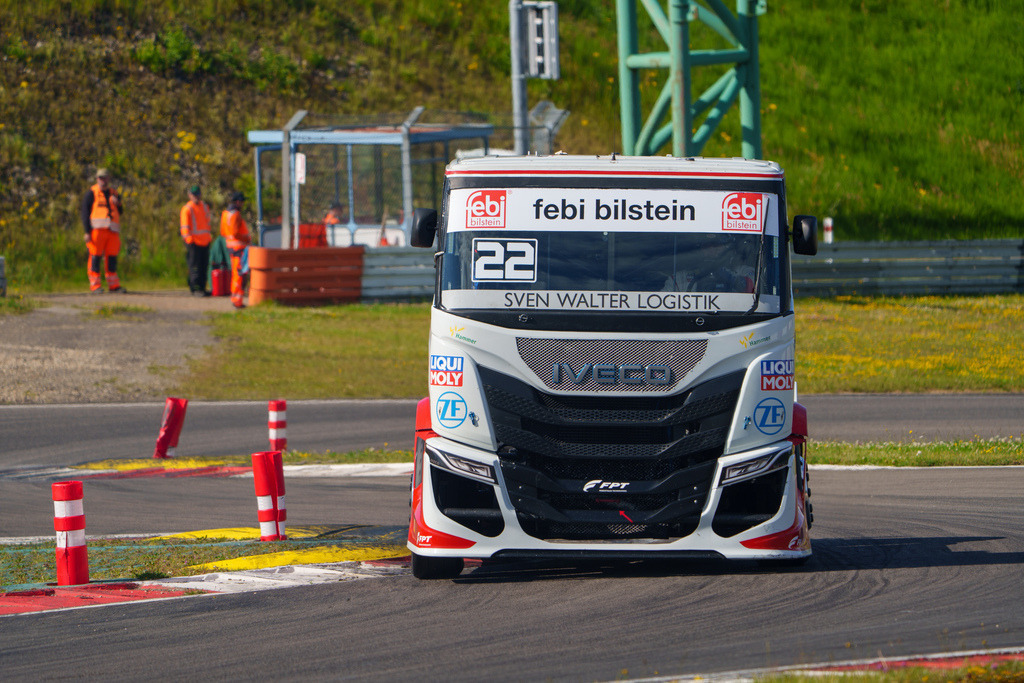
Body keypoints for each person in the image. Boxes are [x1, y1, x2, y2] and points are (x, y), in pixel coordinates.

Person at [81, 168, 125, 293]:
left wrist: (118, 203)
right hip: (97, 231)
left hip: (112, 231)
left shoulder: (114, 193)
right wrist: (87, 231)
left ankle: (114, 285)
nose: (103, 180)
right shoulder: (91, 193)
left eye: (105, 178)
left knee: (112, 258)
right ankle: (95, 286)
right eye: (100, 178)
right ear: (97, 179)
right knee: (95, 257)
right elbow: (85, 212)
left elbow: (121, 211)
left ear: (108, 179)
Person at [179, 185, 213, 296]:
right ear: (190, 195)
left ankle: (202, 287)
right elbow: (184, 227)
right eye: (194, 195)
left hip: (205, 241)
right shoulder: (187, 209)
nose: (196, 197)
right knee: (194, 267)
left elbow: (207, 223)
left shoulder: (204, 206)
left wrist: (208, 238)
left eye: (197, 194)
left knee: (204, 266)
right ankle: (195, 288)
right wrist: (189, 241)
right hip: (193, 242)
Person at [220, 191, 251, 309]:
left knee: (235, 274)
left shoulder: (225, 214)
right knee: (239, 275)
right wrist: (247, 238)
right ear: (238, 202)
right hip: (239, 248)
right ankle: (237, 300)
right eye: (242, 202)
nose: (242, 204)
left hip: (230, 247)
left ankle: (235, 298)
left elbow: (223, 232)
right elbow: (235, 233)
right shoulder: (236, 214)